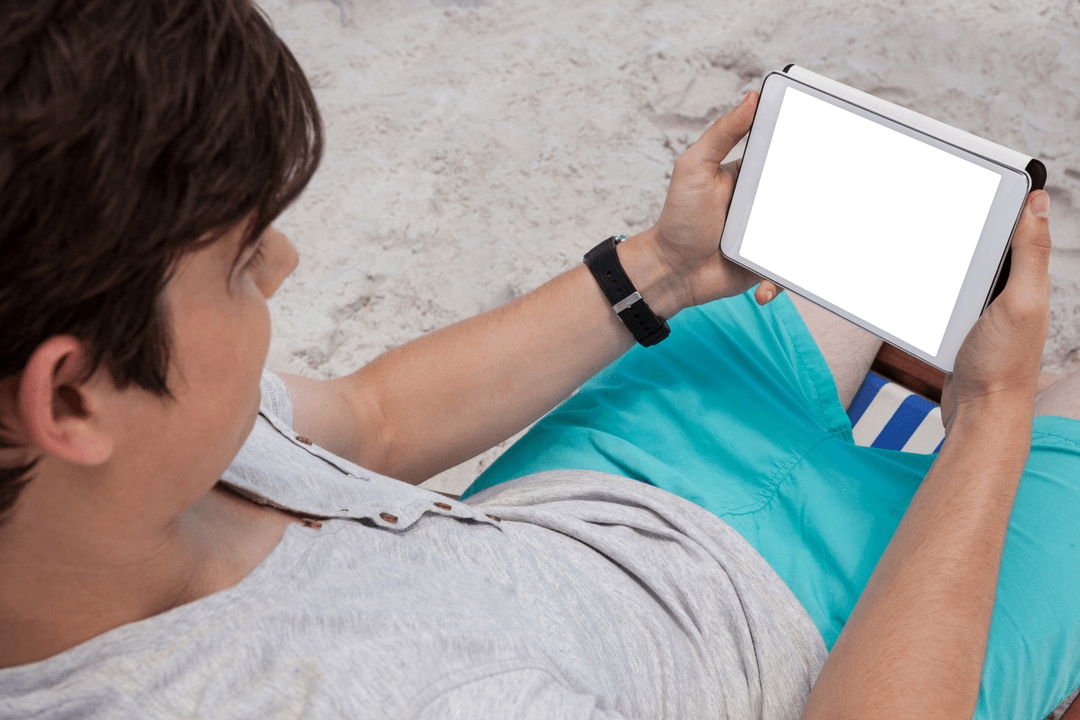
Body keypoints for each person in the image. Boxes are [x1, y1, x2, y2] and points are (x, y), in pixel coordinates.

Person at [1, 1, 1078, 718]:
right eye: (239, 263)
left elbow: (373, 420)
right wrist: (987, 420)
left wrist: (656, 268)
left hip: (604, 499)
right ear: (71, 397)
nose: (284, 262)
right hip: (836, 657)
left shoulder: (137, 467)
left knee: (867, 234)